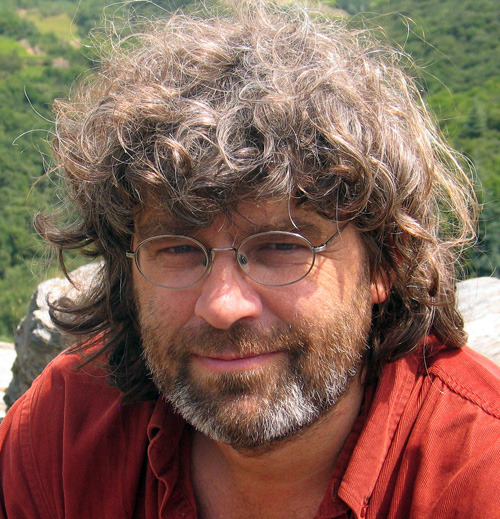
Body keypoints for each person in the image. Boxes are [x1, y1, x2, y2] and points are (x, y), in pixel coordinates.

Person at [1, 3, 499, 518]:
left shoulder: (478, 475)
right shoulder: (63, 434)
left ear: (383, 264)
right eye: (177, 248)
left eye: (282, 247)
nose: (223, 306)